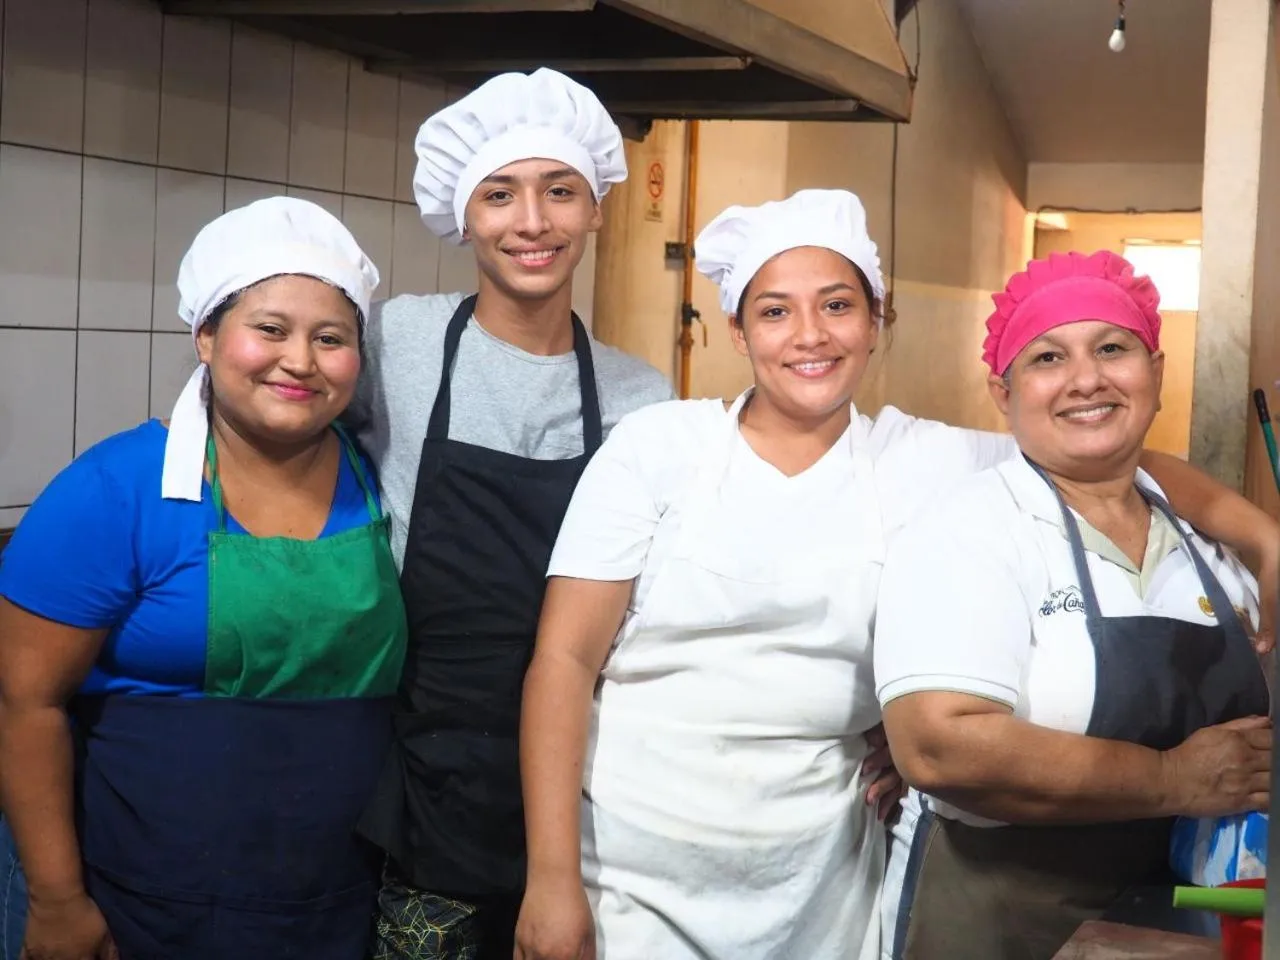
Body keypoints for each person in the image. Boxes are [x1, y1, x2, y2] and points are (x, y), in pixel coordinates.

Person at [512, 192, 1279, 960]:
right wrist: (550, 879)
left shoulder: (921, 458)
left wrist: (1266, 542)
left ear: (877, 322)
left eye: (838, 305)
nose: (810, 335)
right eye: (775, 312)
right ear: (738, 333)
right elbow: (564, 661)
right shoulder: (658, 448)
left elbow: (1109, 449)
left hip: (820, 877)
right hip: (631, 865)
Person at [0, 197, 407, 960]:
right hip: (136, 900)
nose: (301, 361)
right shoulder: (114, 491)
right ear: (208, 337)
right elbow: (24, 703)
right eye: (270, 330)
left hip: (335, 898)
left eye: (332, 338)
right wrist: (57, 900)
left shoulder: (384, 484)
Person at [350, 68, 673, 960]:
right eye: (500, 194)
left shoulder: (642, 397)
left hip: (587, 780)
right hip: (423, 772)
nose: (532, 222)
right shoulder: (399, 342)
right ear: (466, 216)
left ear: (596, 208)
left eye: (559, 191)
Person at [875, 250, 1274, 960]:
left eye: (1112, 349)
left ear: (1155, 372)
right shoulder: (970, 529)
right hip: (1004, 914)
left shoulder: (1206, 541)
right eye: (1048, 357)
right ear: (1004, 394)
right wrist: (1172, 778)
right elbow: (939, 745)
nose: (1086, 379)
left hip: (1187, 914)